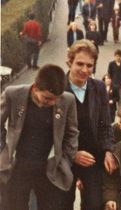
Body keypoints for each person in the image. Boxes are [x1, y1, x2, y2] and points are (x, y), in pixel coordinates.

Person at [0, 64, 79, 210]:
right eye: (47, 98)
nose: (52, 103)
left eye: (56, 98)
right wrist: (3, 151)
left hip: (48, 170)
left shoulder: (68, 100)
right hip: (17, 167)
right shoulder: (13, 94)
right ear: (35, 88)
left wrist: (66, 160)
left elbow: (72, 133)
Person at [64, 39, 116, 210]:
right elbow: (50, 133)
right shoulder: (58, 88)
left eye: (89, 65)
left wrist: (108, 151)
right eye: (80, 64)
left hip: (92, 158)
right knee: (62, 203)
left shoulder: (99, 87)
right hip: (64, 159)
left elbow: (105, 125)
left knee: (94, 204)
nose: (85, 70)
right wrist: (73, 154)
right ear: (69, 61)